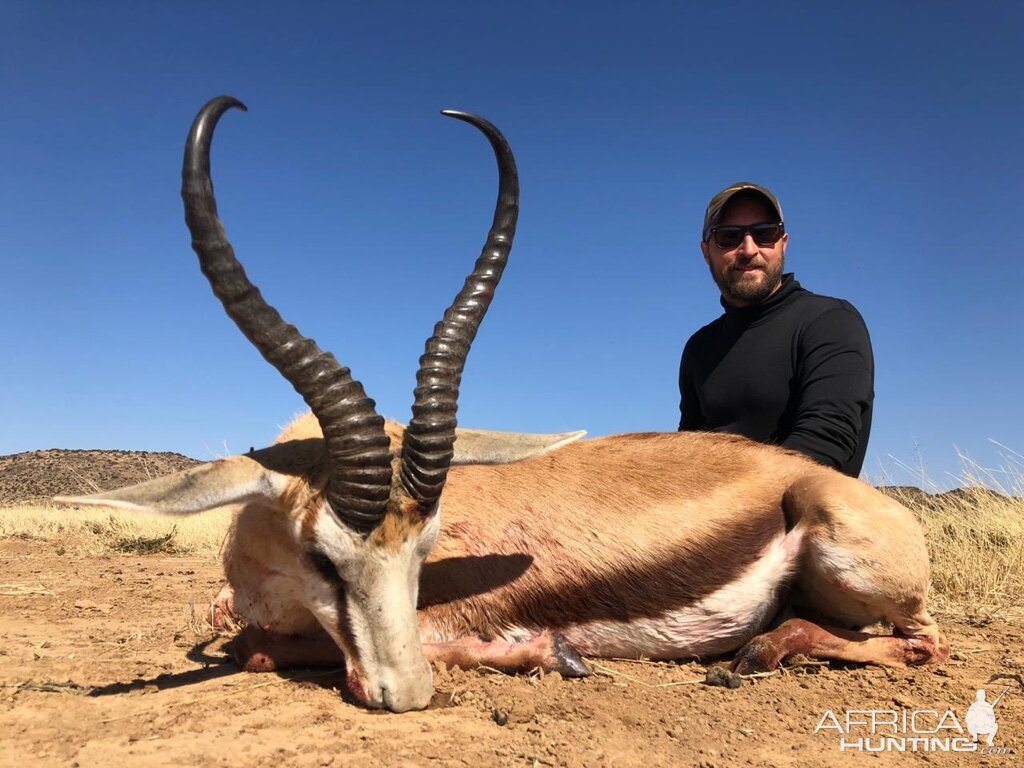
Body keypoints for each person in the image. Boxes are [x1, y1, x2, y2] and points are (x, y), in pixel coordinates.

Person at [678, 182, 874, 478]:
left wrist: (728, 507)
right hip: (711, 518)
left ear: (783, 242)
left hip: (802, 515)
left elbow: (826, 443)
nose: (748, 249)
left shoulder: (830, 320)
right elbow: (687, 451)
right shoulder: (699, 348)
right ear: (706, 252)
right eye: (728, 237)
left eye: (764, 234)